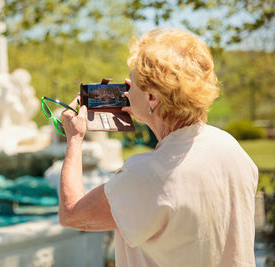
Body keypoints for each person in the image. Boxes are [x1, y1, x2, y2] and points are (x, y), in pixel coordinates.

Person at [59, 28, 258, 267]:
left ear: (153, 98)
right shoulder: (231, 149)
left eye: (133, 82)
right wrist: (147, 112)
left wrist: (75, 137)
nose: (126, 86)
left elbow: (71, 214)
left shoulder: (146, 175)